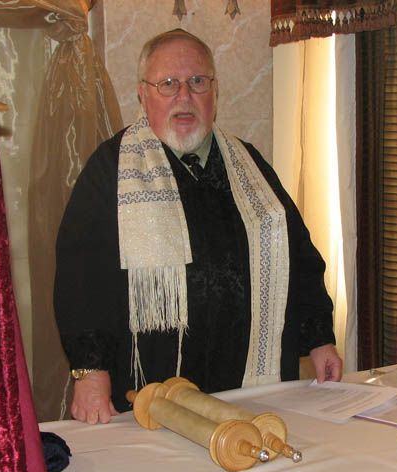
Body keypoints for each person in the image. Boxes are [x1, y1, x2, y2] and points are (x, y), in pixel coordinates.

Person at [54, 29, 342, 424]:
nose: (184, 96)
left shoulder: (250, 166)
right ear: (143, 93)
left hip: (249, 389)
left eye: (197, 82)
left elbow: (299, 258)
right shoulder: (110, 170)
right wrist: (89, 372)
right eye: (168, 83)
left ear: (215, 92)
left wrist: (319, 338)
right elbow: (81, 282)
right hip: (147, 391)